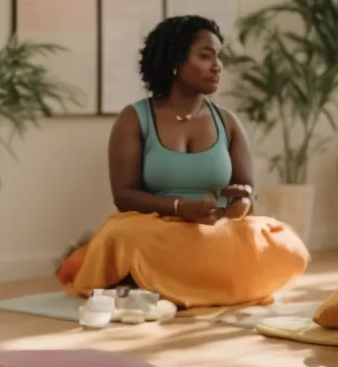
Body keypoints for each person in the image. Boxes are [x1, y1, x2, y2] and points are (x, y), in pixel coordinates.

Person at [61, 16, 309, 308]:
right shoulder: (134, 118)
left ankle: (160, 286)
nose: (217, 66)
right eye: (205, 56)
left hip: (214, 231)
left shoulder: (227, 122)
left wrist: (239, 203)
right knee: (122, 234)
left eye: (218, 57)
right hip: (159, 231)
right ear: (175, 62)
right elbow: (124, 195)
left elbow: (245, 200)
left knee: (286, 244)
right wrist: (181, 208)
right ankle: (207, 285)